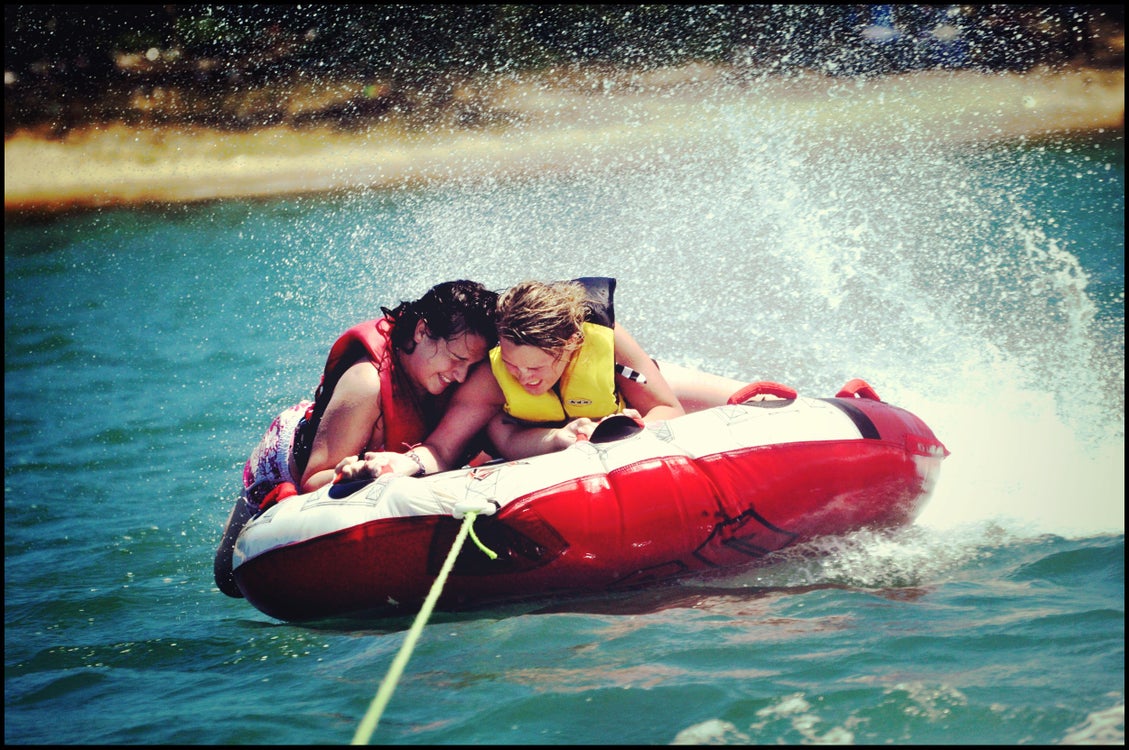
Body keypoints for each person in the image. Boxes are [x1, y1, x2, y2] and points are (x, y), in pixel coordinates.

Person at [215, 279, 498, 597]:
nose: (461, 375)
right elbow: (313, 481)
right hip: (288, 455)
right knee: (229, 578)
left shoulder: (463, 374)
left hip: (357, 433)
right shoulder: (367, 384)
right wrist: (358, 472)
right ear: (421, 331)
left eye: (471, 365)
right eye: (457, 359)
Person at [337, 277, 684, 481]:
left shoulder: (600, 340)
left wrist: (635, 427)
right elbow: (443, 448)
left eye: (536, 368)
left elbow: (669, 409)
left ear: (570, 347)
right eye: (512, 365)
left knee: (708, 398)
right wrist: (403, 464)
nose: (522, 378)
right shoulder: (491, 372)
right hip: (544, 432)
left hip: (621, 392)